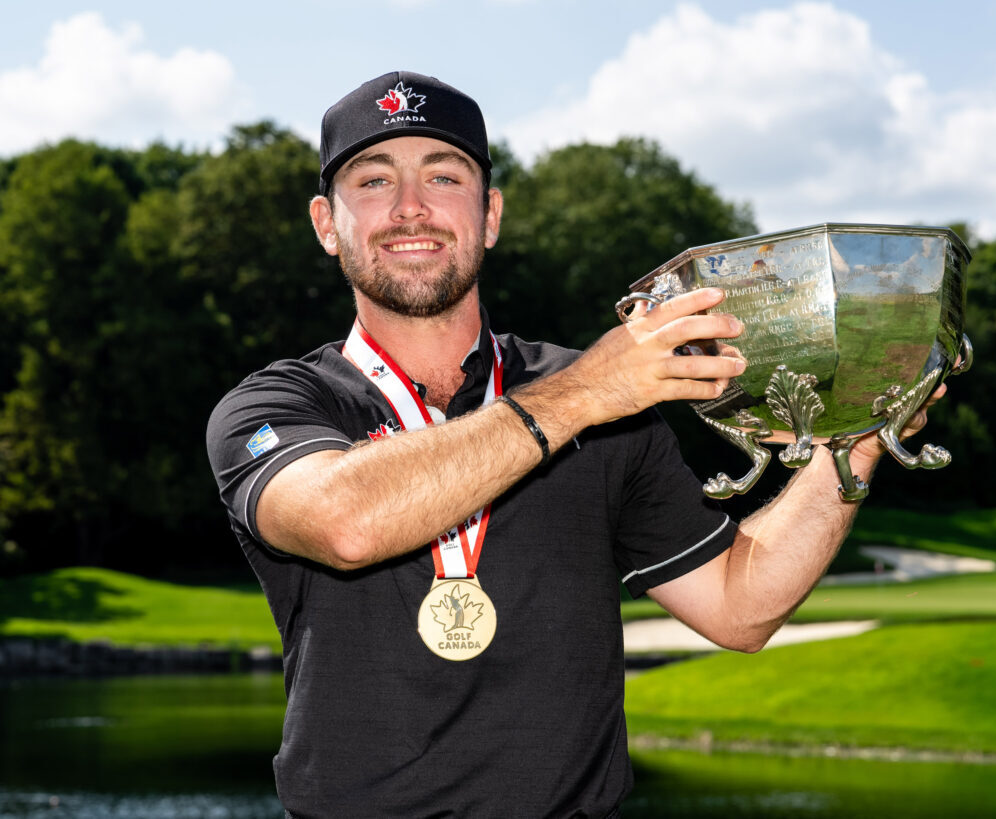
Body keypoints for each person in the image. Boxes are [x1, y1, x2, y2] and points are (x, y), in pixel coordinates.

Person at [206, 71, 940, 818]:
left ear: (489, 215)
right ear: (327, 223)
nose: (410, 208)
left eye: (443, 175)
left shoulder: (605, 401)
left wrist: (854, 445)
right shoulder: (277, 404)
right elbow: (346, 521)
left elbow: (740, 607)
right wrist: (587, 393)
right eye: (373, 180)